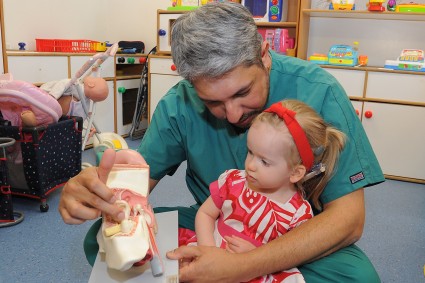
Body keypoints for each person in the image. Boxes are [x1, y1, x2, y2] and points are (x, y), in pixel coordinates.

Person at [59, 2, 385, 282]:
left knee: (359, 278)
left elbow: (349, 220)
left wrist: (241, 266)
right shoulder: (178, 105)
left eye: (242, 93)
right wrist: (99, 194)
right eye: (211, 102)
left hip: (289, 233)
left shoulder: (320, 91)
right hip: (215, 220)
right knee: (102, 242)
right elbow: (136, 188)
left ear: (265, 56)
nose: (231, 115)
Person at [194, 100, 346, 283]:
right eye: (250, 152)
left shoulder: (297, 214)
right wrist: (208, 252)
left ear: (295, 172)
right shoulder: (233, 181)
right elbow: (205, 213)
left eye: (264, 162)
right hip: (212, 250)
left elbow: (291, 254)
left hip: (258, 272)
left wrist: (254, 257)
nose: (250, 165)